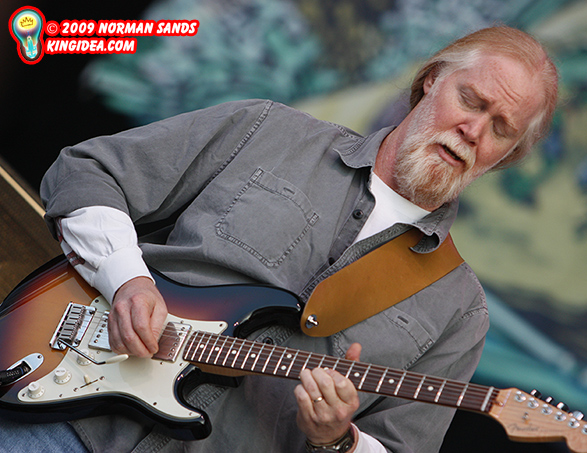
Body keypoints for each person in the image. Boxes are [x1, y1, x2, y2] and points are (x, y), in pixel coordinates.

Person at [4, 25, 557, 452]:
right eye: (471, 100)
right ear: (431, 80)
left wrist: (338, 439)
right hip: (69, 416)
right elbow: (89, 172)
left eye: (501, 129)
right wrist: (128, 281)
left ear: (508, 156)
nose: (473, 131)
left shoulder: (460, 312)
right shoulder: (268, 130)